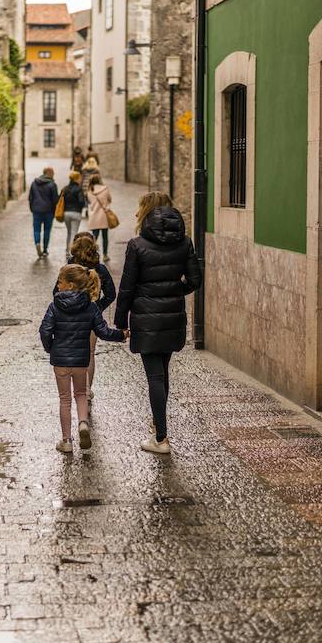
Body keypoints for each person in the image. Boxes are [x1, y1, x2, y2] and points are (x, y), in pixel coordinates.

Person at [114, 192, 202, 455]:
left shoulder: (137, 245)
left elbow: (127, 287)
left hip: (146, 317)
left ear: (146, 212)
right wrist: (174, 291)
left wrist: (121, 322)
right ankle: (157, 422)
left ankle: (161, 438)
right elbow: (195, 281)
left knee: (155, 376)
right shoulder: (184, 242)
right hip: (172, 315)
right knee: (162, 373)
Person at [40, 264, 128, 453]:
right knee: (81, 394)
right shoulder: (91, 306)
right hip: (81, 360)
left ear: (70, 285)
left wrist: (51, 349)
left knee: (64, 399)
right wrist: (121, 335)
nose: (58, 285)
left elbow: (45, 330)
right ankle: (83, 424)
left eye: (60, 281)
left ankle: (66, 441)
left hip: (61, 361)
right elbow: (103, 332)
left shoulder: (55, 305)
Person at [54, 231, 117, 411]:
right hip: (90, 320)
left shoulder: (69, 268)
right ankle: (87, 392)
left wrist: (64, 308)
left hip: (69, 319)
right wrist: (97, 308)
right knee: (89, 354)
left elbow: (56, 293)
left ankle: (76, 391)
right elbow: (111, 294)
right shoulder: (100, 269)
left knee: (72, 354)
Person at [29, 166, 58, 258]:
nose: (54, 174)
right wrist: (54, 211)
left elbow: (30, 198)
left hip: (36, 210)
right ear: (49, 173)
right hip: (48, 211)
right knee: (47, 230)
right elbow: (55, 200)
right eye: (52, 172)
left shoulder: (34, 183)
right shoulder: (52, 184)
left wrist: (32, 208)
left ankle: (37, 243)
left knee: (36, 229)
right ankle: (45, 250)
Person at [60, 171, 86, 259]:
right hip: (76, 213)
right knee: (74, 233)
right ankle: (71, 252)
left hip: (66, 213)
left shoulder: (65, 188)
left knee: (69, 232)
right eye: (79, 178)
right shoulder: (79, 189)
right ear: (76, 178)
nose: (80, 179)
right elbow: (82, 202)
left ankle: (67, 251)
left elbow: (60, 200)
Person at [87, 172, 112, 262]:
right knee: (105, 237)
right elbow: (110, 199)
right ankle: (105, 255)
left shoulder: (89, 191)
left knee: (94, 237)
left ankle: (91, 253)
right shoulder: (105, 189)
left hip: (94, 216)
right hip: (104, 215)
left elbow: (89, 202)